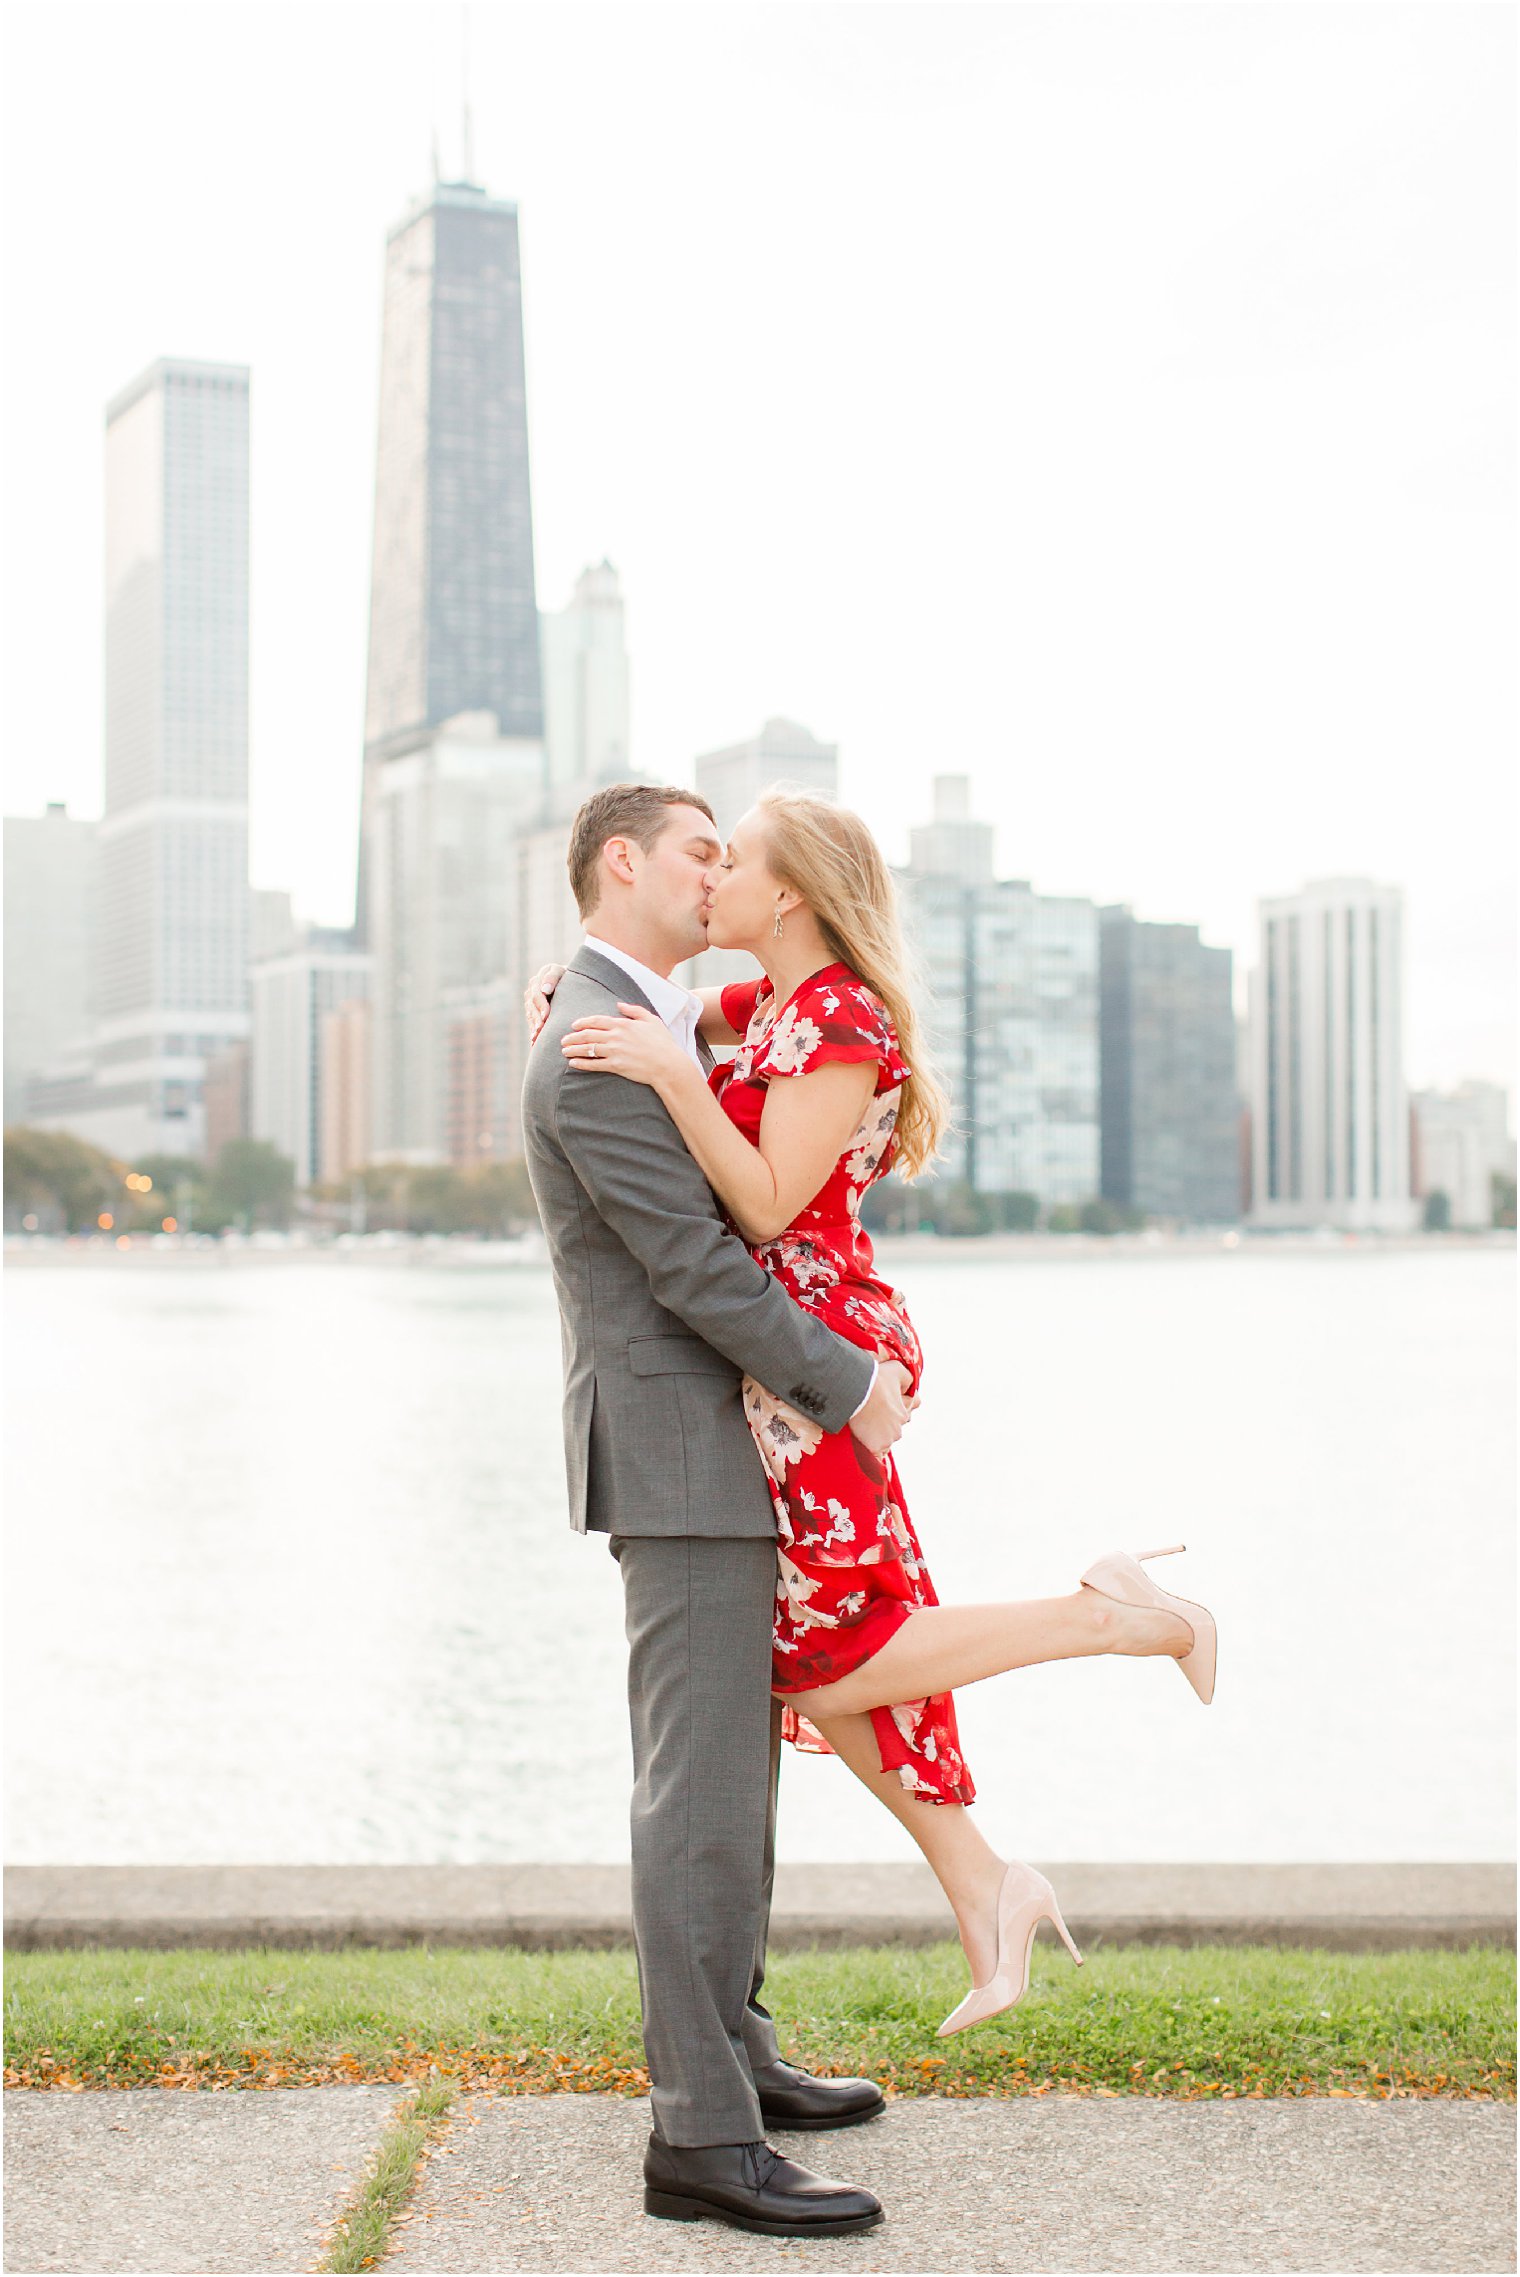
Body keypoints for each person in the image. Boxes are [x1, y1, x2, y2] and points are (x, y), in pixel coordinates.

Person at [534, 781, 1218, 2056]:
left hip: (824, 1354)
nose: (713, 875)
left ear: (783, 892)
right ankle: (984, 1886)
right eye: (700, 853)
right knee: (810, 1644)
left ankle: (1115, 1618)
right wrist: (591, 1000)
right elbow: (674, 1004)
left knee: (827, 1647)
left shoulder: (838, 1017)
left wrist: (671, 1076)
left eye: (729, 858)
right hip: (780, 1362)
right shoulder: (775, 1002)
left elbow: (761, 1205)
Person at [520, 782, 908, 2242]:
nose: (717, 873)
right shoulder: (597, 1047)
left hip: (712, 1446)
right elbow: (695, 1266)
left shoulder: (641, 1019)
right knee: (694, 1802)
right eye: (699, 849)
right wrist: (846, 1382)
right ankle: (700, 2137)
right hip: (684, 1449)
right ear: (625, 861)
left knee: (732, 1785)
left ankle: (736, 2060)